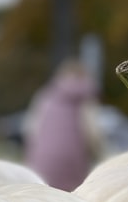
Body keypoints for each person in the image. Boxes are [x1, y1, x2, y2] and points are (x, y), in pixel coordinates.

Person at [23, 59, 105, 191]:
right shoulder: (85, 97)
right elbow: (92, 132)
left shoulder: (44, 95)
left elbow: (31, 129)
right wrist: (101, 156)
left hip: (40, 165)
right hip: (72, 162)